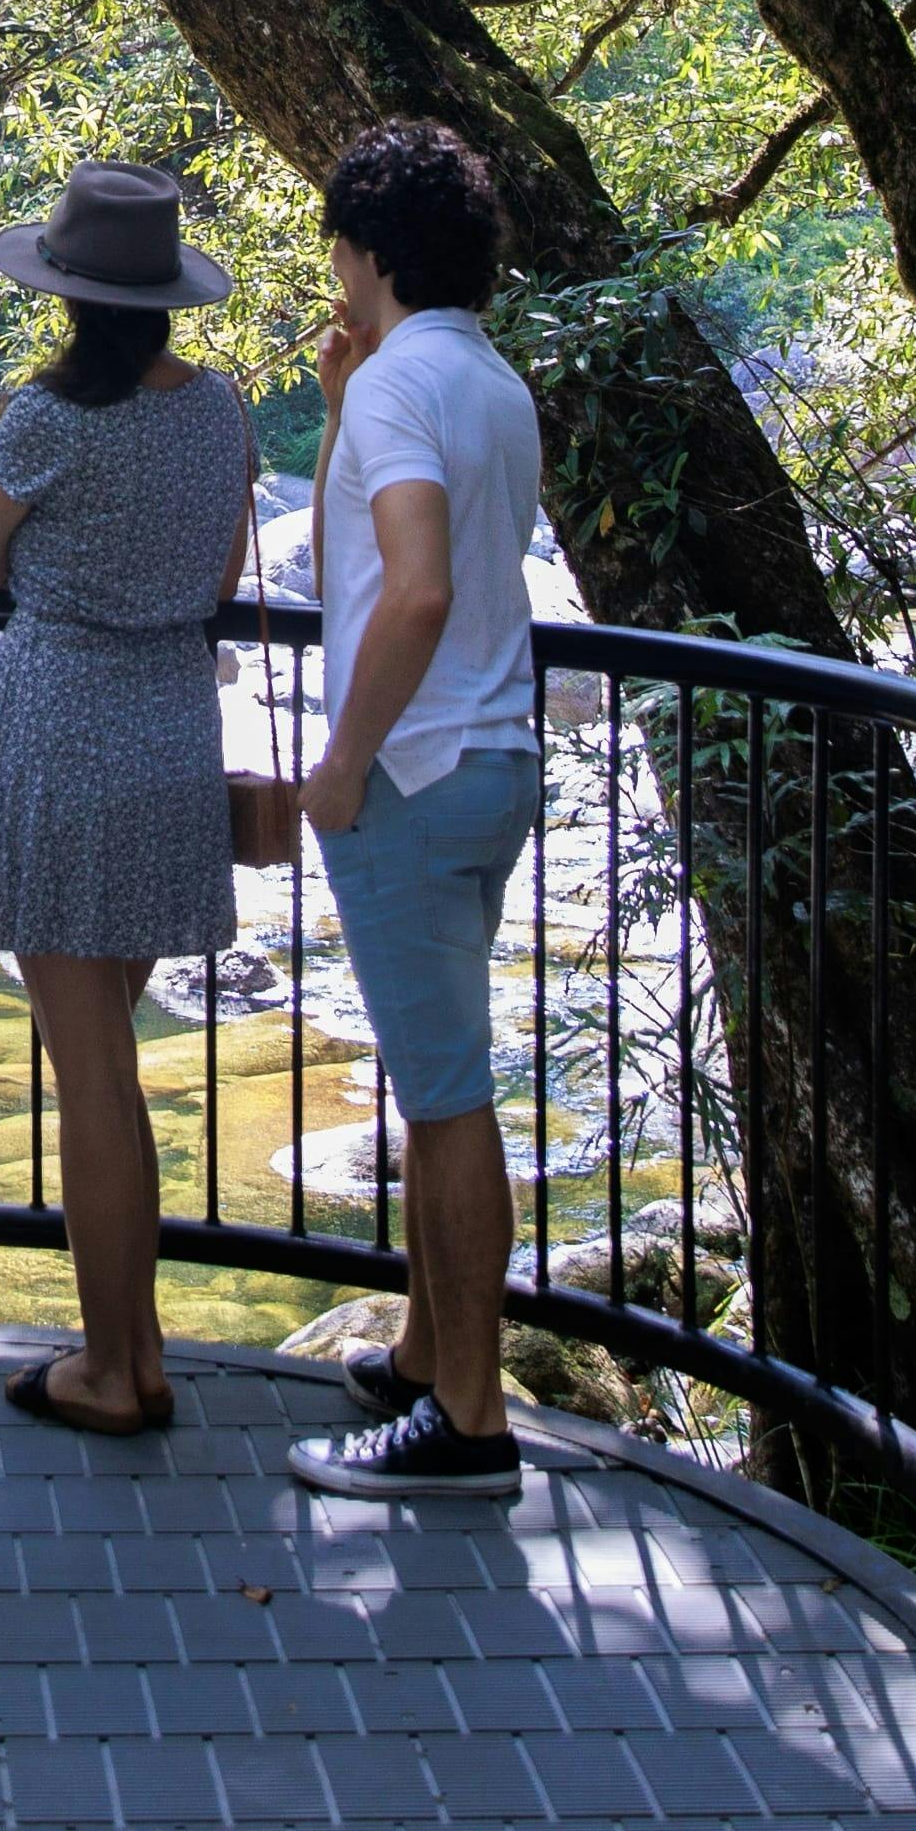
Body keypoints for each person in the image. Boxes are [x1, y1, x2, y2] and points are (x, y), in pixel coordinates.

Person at [0, 160, 259, 1437]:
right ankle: (141, 1347)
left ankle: (112, 1371)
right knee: (110, 1066)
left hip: (60, 736)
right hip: (174, 729)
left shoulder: (47, 418)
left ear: (64, 293)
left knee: (92, 1080)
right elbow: (226, 563)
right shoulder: (221, 411)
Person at [279, 119, 550, 1503]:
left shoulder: (405, 391)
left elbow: (418, 587)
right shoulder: (484, 379)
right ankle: (427, 1360)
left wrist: (344, 760)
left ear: (370, 250)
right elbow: (371, 566)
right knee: (443, 1075)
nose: (331, 267)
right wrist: (339, 404)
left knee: (445, 1101)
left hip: (417, 771)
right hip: (495, 760)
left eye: (337, 243)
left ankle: (469, 1420)